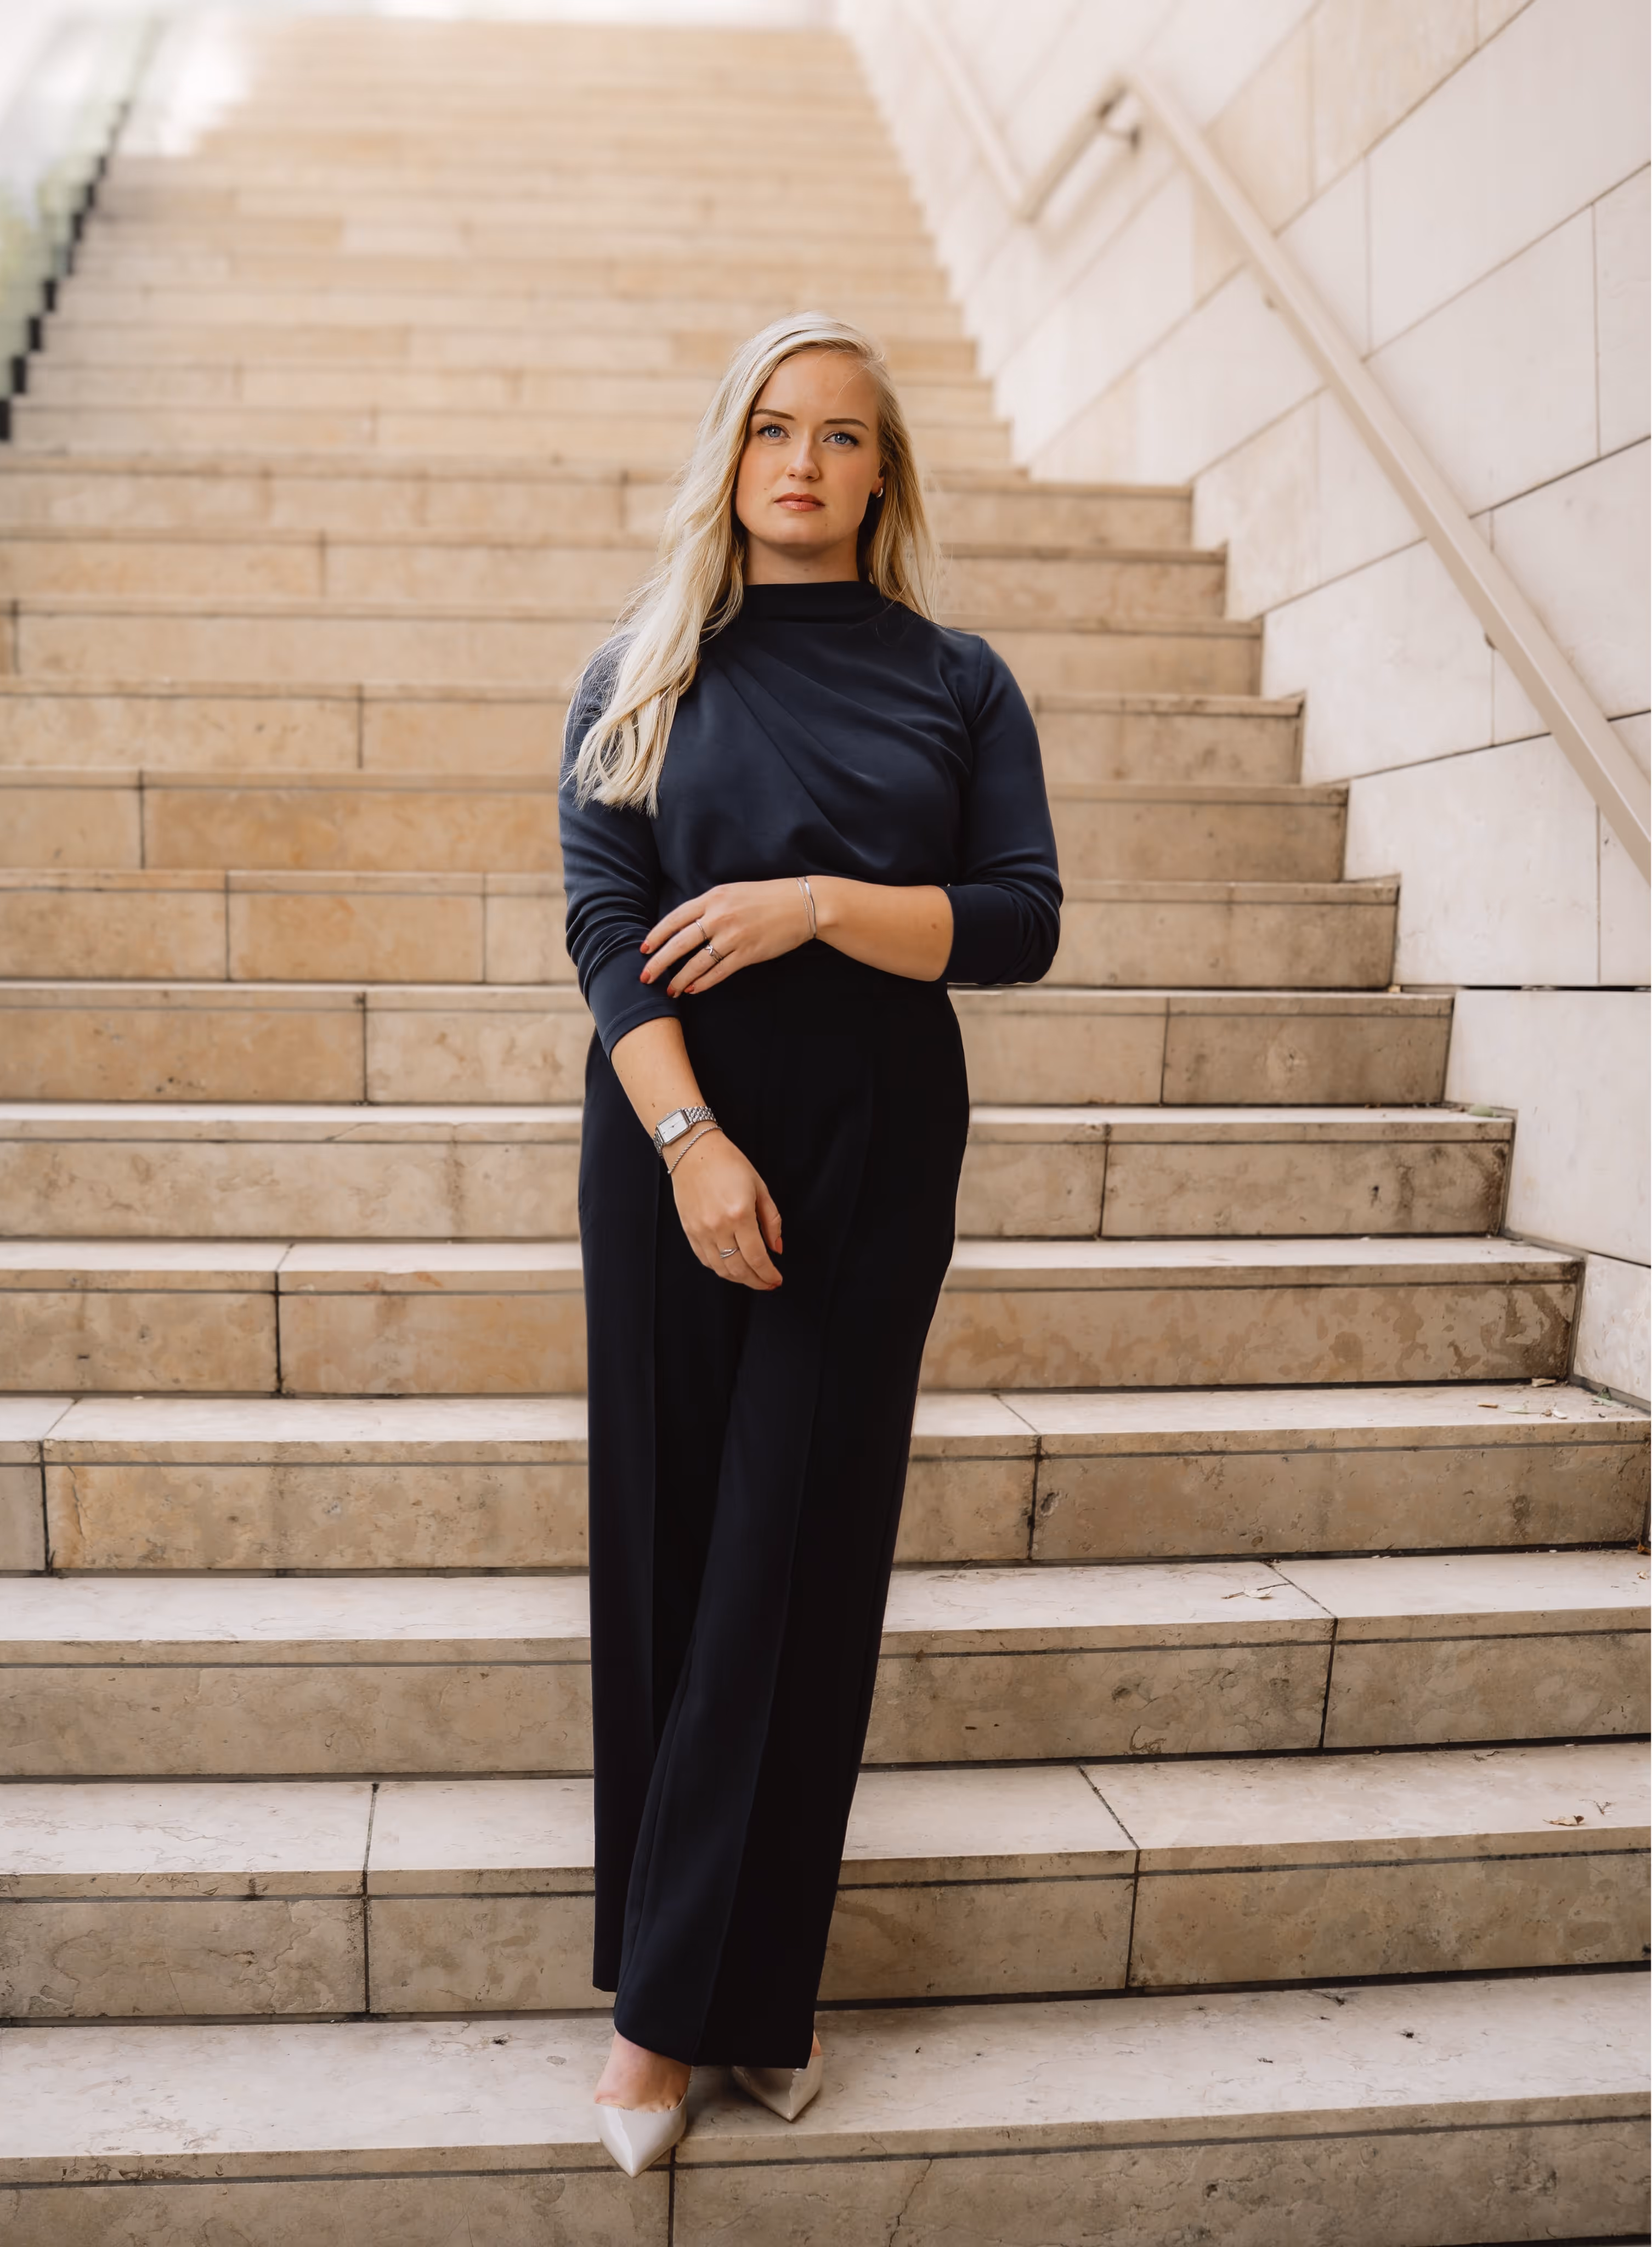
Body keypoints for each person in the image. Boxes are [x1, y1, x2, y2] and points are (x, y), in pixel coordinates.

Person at [558, 310, 1062, 2177]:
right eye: (775, 428)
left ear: (880, 475)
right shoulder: (643, 667)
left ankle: (674, 2019)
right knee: (676, 1549)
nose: (805, 461)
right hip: (671, 1135)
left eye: (844, 436)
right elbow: (606, 920)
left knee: (802, 1557)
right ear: (732, 448)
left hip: (874, 1145)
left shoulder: (958, 681)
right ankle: (724, 1994)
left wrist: (816, 906)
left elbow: (1016, 921)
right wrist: (687, 1143)